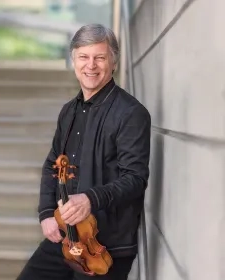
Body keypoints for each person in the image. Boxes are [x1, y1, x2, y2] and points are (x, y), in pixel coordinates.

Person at [16, 24, 151, 280]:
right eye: (84, 57)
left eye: (100, 57)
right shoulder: (69, 111)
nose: (91, 65)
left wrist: (90, 199)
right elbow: (52, 165)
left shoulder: (131, 113)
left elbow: (135, 178)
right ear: (73, 60)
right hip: (67, 237)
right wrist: (46, 212)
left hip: (104, 246)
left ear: (113, 62)